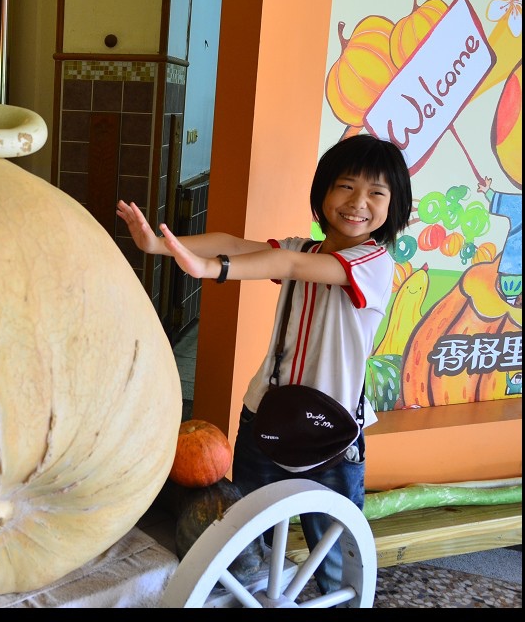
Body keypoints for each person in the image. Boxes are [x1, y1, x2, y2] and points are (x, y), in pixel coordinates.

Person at [117, 133, 413, 596]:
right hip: (265, 416)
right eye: (346, 186)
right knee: (244, 538)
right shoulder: (306, 249)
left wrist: (208, 269)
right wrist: (160, 245)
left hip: (332, 432)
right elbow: (234, 242)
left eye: (376, 193)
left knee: (335, 557)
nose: (358, 203)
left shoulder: (372, 263)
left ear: (393, 207)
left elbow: (287, 265)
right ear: (323, 192)